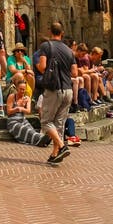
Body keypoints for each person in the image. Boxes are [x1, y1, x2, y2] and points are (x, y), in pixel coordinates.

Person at [36, 21, 77, 164]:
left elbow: (42, 67)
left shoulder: (46, 46)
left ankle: (61, 146)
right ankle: (55, 154)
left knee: (46, 121)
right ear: (62, 33)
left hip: (54, 89)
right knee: (59, 123)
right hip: (68, 90)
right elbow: (75, 72)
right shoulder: (69, 50)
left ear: (50, 32)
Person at [6, 78, 48, 147]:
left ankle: (41, 140)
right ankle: (40, 139)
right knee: (25, 129)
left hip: (22, 119)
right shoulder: (12, 97)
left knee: (31, 130)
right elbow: (9, 111)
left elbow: (28, 111)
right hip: (12, 121)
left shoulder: (27, 98)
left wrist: (21, 108)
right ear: (16, 88)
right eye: (21, 89)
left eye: (24, 89)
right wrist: (18, 108)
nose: (22, 91)